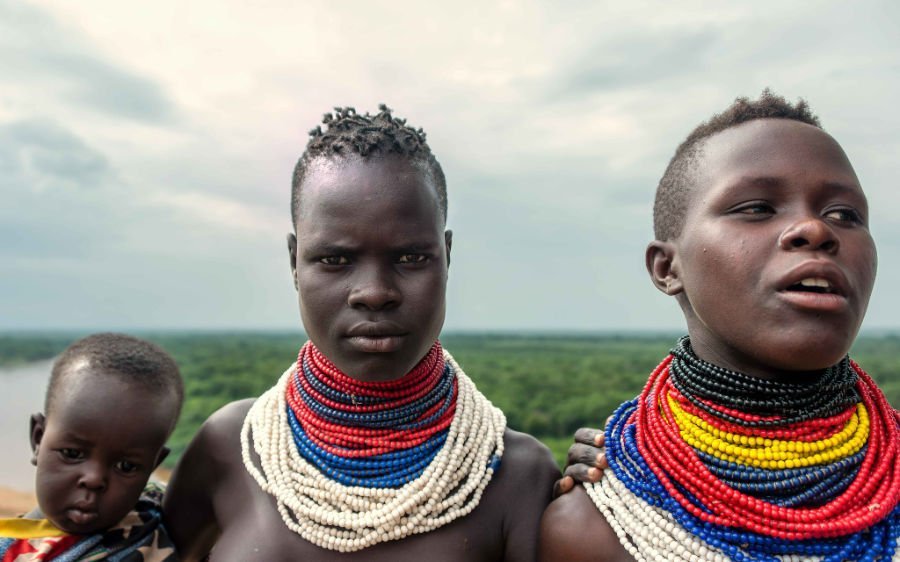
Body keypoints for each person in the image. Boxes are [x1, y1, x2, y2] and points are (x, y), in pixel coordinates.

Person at [164, 105, 560, 561]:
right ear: (294, 262)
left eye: (411, 258)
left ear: (446, 256)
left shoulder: (519, 478)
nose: (375, 293)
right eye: (334, 259)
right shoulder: (231, 448)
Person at [539, 91, 900, 561]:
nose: (816, 229)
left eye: (844, 215)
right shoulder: (592, 530)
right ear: (667, 268)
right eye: (756, 208)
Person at [0, 333, 182, 561]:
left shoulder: (165, 515)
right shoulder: (8, 549)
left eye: (126, 466)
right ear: (38, 438)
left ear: (153, 465)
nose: (94, 480)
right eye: (72, 453)